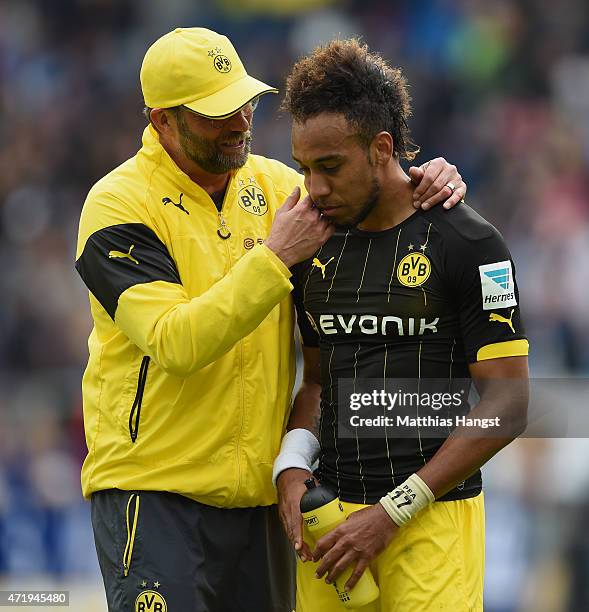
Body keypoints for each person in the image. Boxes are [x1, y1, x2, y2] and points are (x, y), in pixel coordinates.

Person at [74, 27, 468, 611]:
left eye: (243, 101)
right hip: (153, 492)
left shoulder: (280, 186)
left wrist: (428, 181)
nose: (238, 121)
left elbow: (377, 204)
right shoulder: (116, 205)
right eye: (215, 113)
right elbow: (174, 342)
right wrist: (275, 257)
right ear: (161, 122)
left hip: (260, 499)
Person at [274, 39, 529, 611]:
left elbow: (508, 401)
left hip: (432, 523)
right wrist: (291, 465)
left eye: (330, 166)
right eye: (304, 168)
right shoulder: (310, 246)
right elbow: (316, 382)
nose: (314, 187)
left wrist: (391, 513)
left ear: (381, 148)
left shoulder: (470, 244)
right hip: (333, 532)